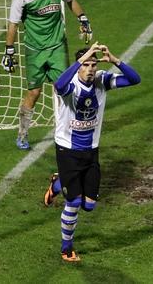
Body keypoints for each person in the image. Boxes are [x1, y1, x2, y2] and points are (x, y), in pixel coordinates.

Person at [43, 43, 141, 262]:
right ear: (78, 67)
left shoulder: (101, 80)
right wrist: (80, 59)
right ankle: (66, 248)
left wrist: (115, 60)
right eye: (86, 64)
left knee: (89, 205)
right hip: (67, 150)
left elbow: (135, 80)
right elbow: (59, 86)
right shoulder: (71, 85)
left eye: (93, 64)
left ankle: (58, 183)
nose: (89, 69)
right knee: (74, 203)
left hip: (91, 151)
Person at [1, 0, 93, 150]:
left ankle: (66, 130)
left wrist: (83, 19)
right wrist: (9, 51)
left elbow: (71, 0)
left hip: (57, 47)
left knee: (64, 90)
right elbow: (13, 25)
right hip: (35, 50)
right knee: (34, 92)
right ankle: (23, 134)